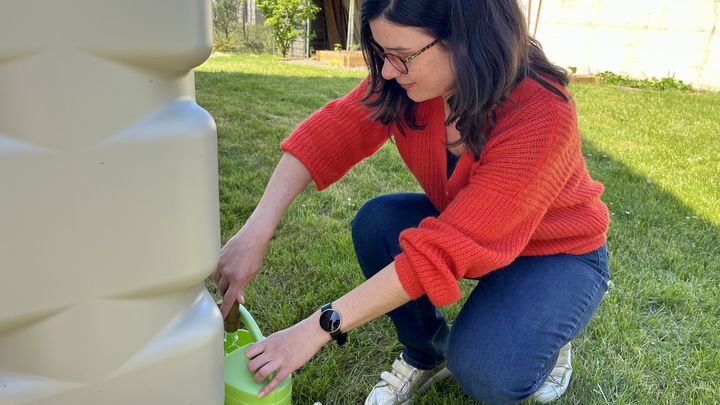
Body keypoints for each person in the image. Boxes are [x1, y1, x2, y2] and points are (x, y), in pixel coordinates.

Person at [213, 0, 611, 404]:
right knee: (378, 222)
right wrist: (255, 230)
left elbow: (441, 250)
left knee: (486, 371)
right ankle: (426, 354)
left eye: (402, 57)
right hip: (472, 235)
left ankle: (551, 338)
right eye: (383, 54)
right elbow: (330, 133)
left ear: (467, 39)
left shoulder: (541, 110)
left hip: (557, 255)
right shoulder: (409, 84)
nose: (386, 71)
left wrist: (317, 328)